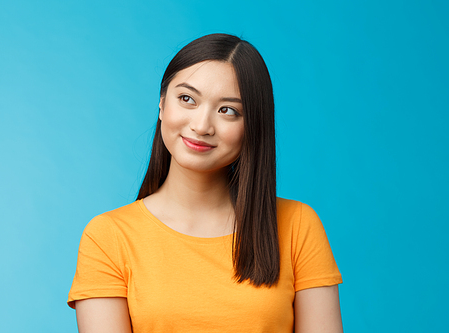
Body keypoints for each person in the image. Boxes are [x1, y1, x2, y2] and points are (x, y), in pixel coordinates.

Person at [68, 33, 343, 333]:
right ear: (162, 103)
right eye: (187, 99)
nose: (201, 126)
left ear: (252, 126)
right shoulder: (108, 237)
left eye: (228, 110)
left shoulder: (297, 226)